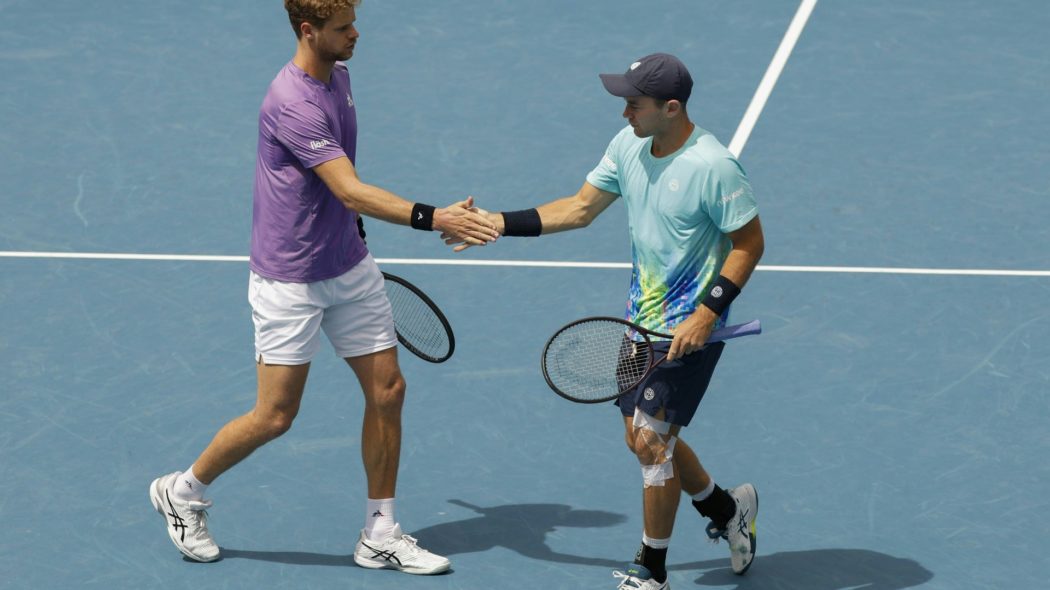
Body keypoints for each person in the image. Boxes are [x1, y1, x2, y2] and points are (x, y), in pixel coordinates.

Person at [148, 0, 498, 575]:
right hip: (290, 281)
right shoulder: (293, 103)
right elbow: (349, 189)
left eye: (354, 22)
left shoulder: (340, 78)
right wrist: (437, 217)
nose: (356, 34)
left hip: (349, 266)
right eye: (343, 27)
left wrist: (351, 231)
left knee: (388, 390)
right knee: (275, 416)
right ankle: (181, 491)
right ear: (308, 31)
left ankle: (379, 533)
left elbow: (338, 195)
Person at [448, 53, 765, 588]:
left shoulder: (713, 167)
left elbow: (749, 243)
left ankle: (651, 570)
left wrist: (707, 313)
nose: (624, 113)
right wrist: (497, 222)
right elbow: (579, 208)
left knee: (651, 443)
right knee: (641, 438)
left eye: (634, 104)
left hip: (688, 331)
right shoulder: (628, 146)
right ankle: (726, 509)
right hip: (640, 321)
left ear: (671, 108)